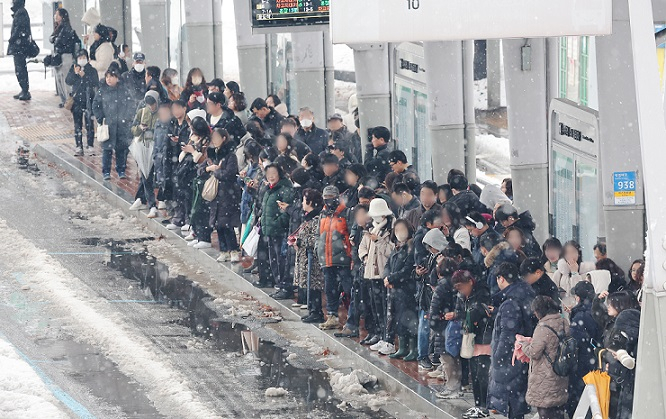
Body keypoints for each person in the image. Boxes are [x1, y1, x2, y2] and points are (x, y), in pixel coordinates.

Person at [487, 262, 536, 419]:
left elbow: (508, 333)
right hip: (524, 352)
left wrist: (498, 356)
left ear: (501, 279)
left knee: (512, 399)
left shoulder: (510, 302)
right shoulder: (526, 293)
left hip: (513, 356)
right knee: (518, 396)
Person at [450, 270, 493, 418]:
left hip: (483, 337)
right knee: (473, 372)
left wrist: (471, 315)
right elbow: (461, 313)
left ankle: (484, 406)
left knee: (482, 373)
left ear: (470, 282)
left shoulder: (482, 291)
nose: (460, 290)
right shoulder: (462, 296)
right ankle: (477, 404)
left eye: (462, 286)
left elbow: (481, 311)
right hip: (470, 337)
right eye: (458, 288)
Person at [520, 296, 569, 419]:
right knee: (558, 411)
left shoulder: (543, 327)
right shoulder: (563, 321)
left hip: (544, 375)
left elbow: (534, 352)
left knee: (545, 411)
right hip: (560, 371)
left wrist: (524, 344)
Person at [360, 198, 395, 352]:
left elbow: (391, 251)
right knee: (375, 307)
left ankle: (387, 337)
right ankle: (380, 334)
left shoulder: (390, 230)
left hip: (383, 273)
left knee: (385, 306)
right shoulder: (371, 229)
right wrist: (365, 257)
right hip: (371, 274)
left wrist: (379, 241)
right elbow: (362, 247)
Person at [317, 186, 354, 330]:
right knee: (330, 289)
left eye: (331, 197)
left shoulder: (346, 213)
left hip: (343, 260)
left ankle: (352, 320)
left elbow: (351, 235)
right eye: (326, 197)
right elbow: (318, 234)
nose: (328, 200)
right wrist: (318, 248)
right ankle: (332, 316)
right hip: (327, 259)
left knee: (348, 289)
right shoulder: (323, 214)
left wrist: (351, 256)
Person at [600, 292, 641, 419]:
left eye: (611, 303)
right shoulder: (617, 323)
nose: (608, 306)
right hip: (617, 375)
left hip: (619, 377)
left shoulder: (624, 326)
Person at [565, 281, 601, 417]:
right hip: (596, 358)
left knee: (580, 396)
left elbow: (574, 341)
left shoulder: (580, 316)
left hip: (582, 361)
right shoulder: (599, 310)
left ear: (578, 297)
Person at [383, 219, 418, 360]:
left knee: (409, 319)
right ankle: (402, 347)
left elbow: (407, 269)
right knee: (398, 319)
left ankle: (413, 349)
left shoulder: (411, 247)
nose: (399, 233)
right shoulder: (396, 248)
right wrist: (387, 278)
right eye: (396, 230)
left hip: (407, 289)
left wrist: (392, 278)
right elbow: (387, 265)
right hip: (395, 290)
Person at [206, 128, 242, 262]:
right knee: (218, 223)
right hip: (216, 194)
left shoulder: (230, 156)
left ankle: (233, 249)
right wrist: (208, 168)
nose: (214, 141)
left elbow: (230, 174)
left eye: (217, 138)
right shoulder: (213, 154)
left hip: (228, 194)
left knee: (226, 223)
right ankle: (224, 249)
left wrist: (216, 172)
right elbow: (202, 169)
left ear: (224, 139)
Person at [415, 227, 449, 371]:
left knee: (436, 331)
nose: (430, 249)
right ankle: (423, 356)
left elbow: (437, 278)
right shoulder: (427, 258)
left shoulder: (444, 258)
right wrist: (417, 273)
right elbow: (417, 275)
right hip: (426, 298)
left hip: (436, 299)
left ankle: (435, 357)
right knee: (424, 329)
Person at [260, 164, 296, 297]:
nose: (270, 176)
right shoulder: (269, 189)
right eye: (268, 173)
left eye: (273, 173)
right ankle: (278, 284)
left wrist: (277, 222)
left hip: (279, 231)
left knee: (281, 259)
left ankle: (284, 286)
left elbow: (286, 212)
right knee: (273, 258)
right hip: (269, 230)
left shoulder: (285, 189)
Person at [92, 68, 133, 180]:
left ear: (117, 78)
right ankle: (106, 172)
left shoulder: (123, 90)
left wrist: (126, 118)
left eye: (111, 77)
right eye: (107, 77)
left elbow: (131, 105)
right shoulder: (102, 91)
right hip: (108, 125)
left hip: (121, 125)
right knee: (107, 150)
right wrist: (100, 118)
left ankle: (121, 170)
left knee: (121, 150)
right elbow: (95, 105)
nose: (108, 79)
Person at [182, 117, 213, 248]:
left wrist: (193, 151)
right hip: (192, 178)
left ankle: (204, 237)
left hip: (204, 178)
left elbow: (201, 159)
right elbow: (181, 157)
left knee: (201, 208)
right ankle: (197, 233)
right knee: (193, 206)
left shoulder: (207, 141)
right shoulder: (195, 139)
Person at [128, 90, 161, 217]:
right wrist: (140, 128)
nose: (151, 107)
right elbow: (133, 129)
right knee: (145, 174)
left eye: (153, 104)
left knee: (147, 175)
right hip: (142, 146)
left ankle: (142, 199)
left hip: (155, 146)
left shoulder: (162, 113)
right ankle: (150, 203)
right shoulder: (141, 112)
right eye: (149, 104)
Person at [296, 189, 326, 323]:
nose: (302, 203)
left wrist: (302, 242)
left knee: (314, 285)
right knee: (310, 285)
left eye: (304, 200)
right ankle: (313, 309)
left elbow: (316, 238)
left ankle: (316, 311)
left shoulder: (316, 219)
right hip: (306, 256)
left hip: (313, 258)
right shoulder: (308, 217)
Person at [165, 102, 193, 230]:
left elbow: (189, 144)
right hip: (174, 160)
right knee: (176, 191)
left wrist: (179, 141)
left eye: (178, 108)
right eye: (173, 109)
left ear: (184, 108)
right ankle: (178, 217)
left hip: (185, 162)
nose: (175, 111)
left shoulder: (188, 125)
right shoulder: (172, 124)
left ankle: (187, 218)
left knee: (186, 192)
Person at [66, 49, 98, 156]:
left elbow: (95, 82)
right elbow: (68, 81)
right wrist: (75, 74)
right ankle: (79, 145)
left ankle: (90, 145)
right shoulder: (73, 69)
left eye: (84, 57)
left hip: (89, 100)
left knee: (89, 123)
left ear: (88, 59)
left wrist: (84, 76)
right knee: (77, 124)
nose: (82, 60)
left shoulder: (92, 70)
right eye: (80, 58)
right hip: (77, 101)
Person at [552, 240, 595, 308]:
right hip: (563, 312)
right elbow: (553, 294)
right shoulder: (559, 274)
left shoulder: (587, 272)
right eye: (567, 253)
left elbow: (581, 292)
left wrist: (574, 272)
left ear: (578, 254)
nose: (570, 256)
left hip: (581, 311)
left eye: (573, 252)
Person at [50, 8, 79, 107]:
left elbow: (59, 41)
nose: (55, 16)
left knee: (65, 78)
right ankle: (65, 100)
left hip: (65, 56)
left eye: (57, 15)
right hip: (61, 55)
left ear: (62, 16)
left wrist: (55, 39)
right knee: (60, 78)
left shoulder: (65, 28)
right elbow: (53, 39)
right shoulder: (60, 27)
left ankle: (68, 100)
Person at [8, 0, 32, 101]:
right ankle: (24, 89)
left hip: (19, 47)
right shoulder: (20, 12)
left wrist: (12, 39)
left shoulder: (21, 12)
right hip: (20, 46)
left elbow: (19, 29)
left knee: (20, 69)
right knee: (20, 68)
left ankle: (25, 90)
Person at [152, 102, 174, 211]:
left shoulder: (172, 125)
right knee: (160, 178)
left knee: (167, 178)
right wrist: (155, 155)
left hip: (168, 157)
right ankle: (162, 199)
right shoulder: (158, 124)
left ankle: (166, 201)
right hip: (159, 156)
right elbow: (156, 141)